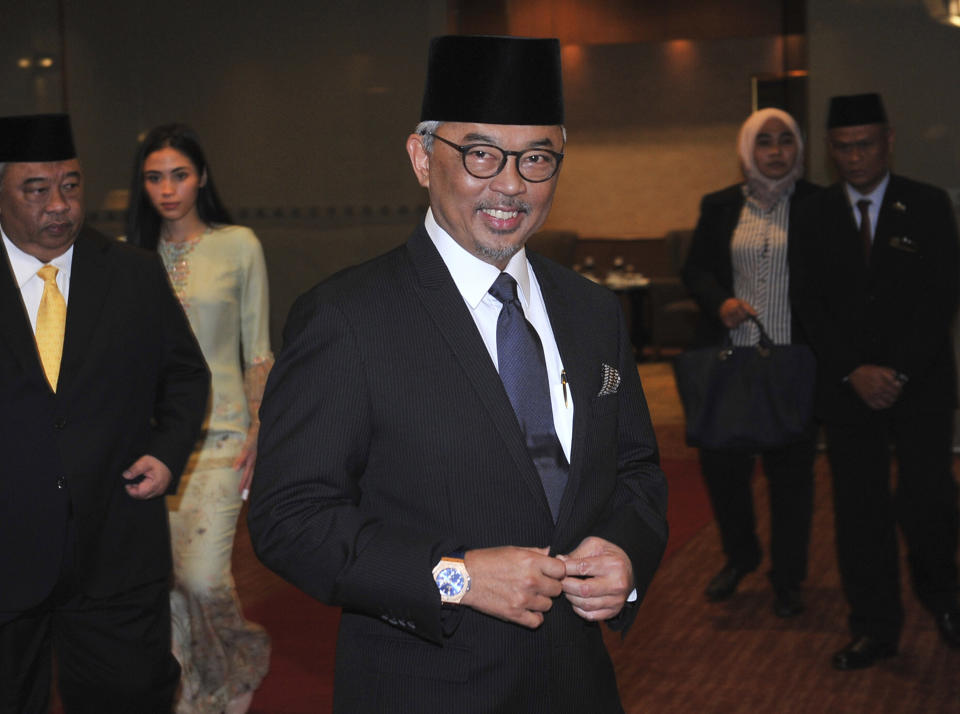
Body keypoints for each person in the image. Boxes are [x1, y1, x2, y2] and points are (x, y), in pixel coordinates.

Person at [247, 35, 668, 713]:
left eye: (536, 159)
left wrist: (626, 552)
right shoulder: (347, 319)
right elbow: (289, 519)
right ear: (421, 157)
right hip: (426, 690)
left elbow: (638, 470)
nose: (510, 184)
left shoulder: (591, 311)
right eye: (480, 154)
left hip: (579, 687)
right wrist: (455, 579)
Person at [0, 114, 209, 712]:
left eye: (70, 185)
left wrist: (169, 454)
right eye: (36, 189)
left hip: (114, 547)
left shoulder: (133, 274)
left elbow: (186, 377)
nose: (59, 205)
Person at [792, 92, 960, 670]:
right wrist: (852, 370)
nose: (854, 157)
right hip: (848, 390)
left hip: (922, 385)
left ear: (888, 141)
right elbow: (808, 303)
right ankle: (874, 626)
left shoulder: (929, 204)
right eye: (842, 147)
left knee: (928, 500)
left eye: (864, 144)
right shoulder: (813, 212)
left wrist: (899, 371)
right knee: (859, 511)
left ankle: (945, 602)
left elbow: (942, 298)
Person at [126, 124, 272, 713]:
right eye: (155, 177)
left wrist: (262, 430)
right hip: (153, 445)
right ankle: (188, 692)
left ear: (202, 177)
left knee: (204, 579)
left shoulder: (239, 245)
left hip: (223, 438)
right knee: (165, 584)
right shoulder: (128, 258)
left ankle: (237, 668)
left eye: (179, 175)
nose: (167, 189)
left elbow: (256, 349)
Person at [682, 108, 820, 617]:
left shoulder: (819, 205)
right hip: (730, 362)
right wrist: (720, 301)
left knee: (791, 479)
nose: (777, 151)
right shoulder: (719, 205)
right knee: (723, 470)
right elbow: (695, 268)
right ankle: (740, 557)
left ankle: (788, 576)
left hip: (794, 362)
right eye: (765, 142)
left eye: (787, 140)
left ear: (799, 148)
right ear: (747, 151)